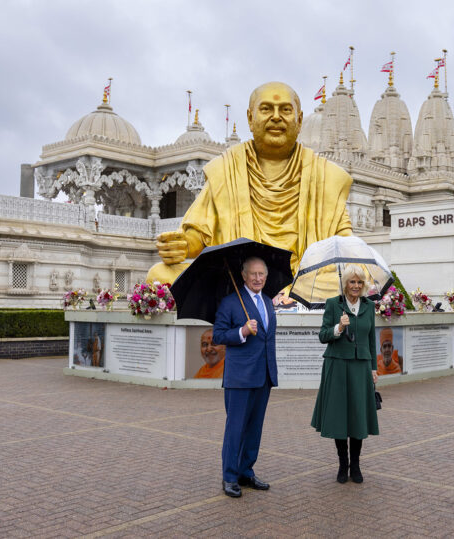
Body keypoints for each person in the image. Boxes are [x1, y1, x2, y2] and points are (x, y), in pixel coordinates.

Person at [146, 81, 353, 285]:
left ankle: (285, 293)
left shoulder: (326, 176)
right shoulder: (225, 169)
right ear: (250, 118)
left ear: (299, 121)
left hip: (304, 279)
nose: (276, 117)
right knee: (159, 274)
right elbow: (199, 235)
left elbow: (346, 242)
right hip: (239, 277)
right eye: (266, 109)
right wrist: (182, 245)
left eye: (285, 110)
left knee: (353, 277)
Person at [212, 257, 278, 498]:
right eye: (253, 274)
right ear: (243, 275)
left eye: (262, 274)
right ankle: (229, 477)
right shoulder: (230, 303)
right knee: (235, 429)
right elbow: (218, 336)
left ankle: (245, 471)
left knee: (254, 429)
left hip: (264, 376)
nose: (258, 278)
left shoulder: (269, 302)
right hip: (239, 378)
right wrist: (241, 331)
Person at [311, 265, 379, 484]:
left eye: (360, 282)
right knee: (340, 415)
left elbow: (371, 340)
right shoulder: (333, 305)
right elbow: (323, 336)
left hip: (361, 367)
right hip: (337, 366)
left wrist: (374, 368)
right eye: (352, 282)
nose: (356, 286)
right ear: (345, 284)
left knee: (358, 415)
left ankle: (356, 465)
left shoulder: (369, 306)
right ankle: (342, 465)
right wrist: (339, 328)